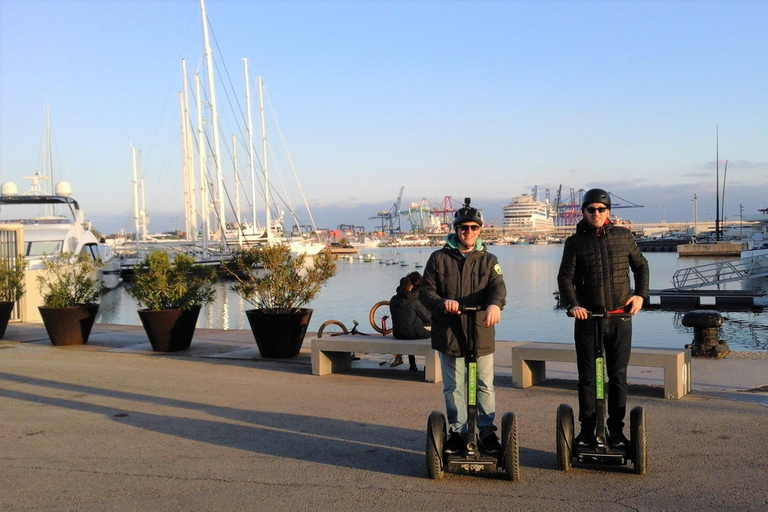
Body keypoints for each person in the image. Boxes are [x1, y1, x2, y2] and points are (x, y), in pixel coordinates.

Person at [557, 188, 649, 449]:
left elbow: (641, 266)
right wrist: (573, 305)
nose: (596, 213)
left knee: (618, 376)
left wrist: (640, 295)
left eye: (601, 209)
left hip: (619, 318)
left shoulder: (623, 236)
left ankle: (616, 430)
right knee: (587, 377)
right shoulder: (574, 242)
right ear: (583, 212)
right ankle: (588, 429)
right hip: (588, 319)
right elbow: (565, 278)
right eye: (591, 209)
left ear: (608, 211)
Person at [420, 198, 507, 455]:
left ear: (480, 230)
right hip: (449, 331)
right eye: (463, 227)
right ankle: (458, 432)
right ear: (456, 229)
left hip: (480, 330)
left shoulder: (489, 260)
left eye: (473, 227)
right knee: (454, 386)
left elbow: (498, 287)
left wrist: (495, 305)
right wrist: (441, 302)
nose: (468, 231)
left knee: (483, 384)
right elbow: (425, 291)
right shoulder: (438, 258)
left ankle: (487, 432)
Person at [389, 273, 431, 371]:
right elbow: (428, 318)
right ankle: (428, 366)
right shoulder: (415, 301)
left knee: (410, 326)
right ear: (411, 286)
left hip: (397, 334)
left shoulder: (393, 299)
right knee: (434, 334)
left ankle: (412, 365)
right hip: (413, 334)